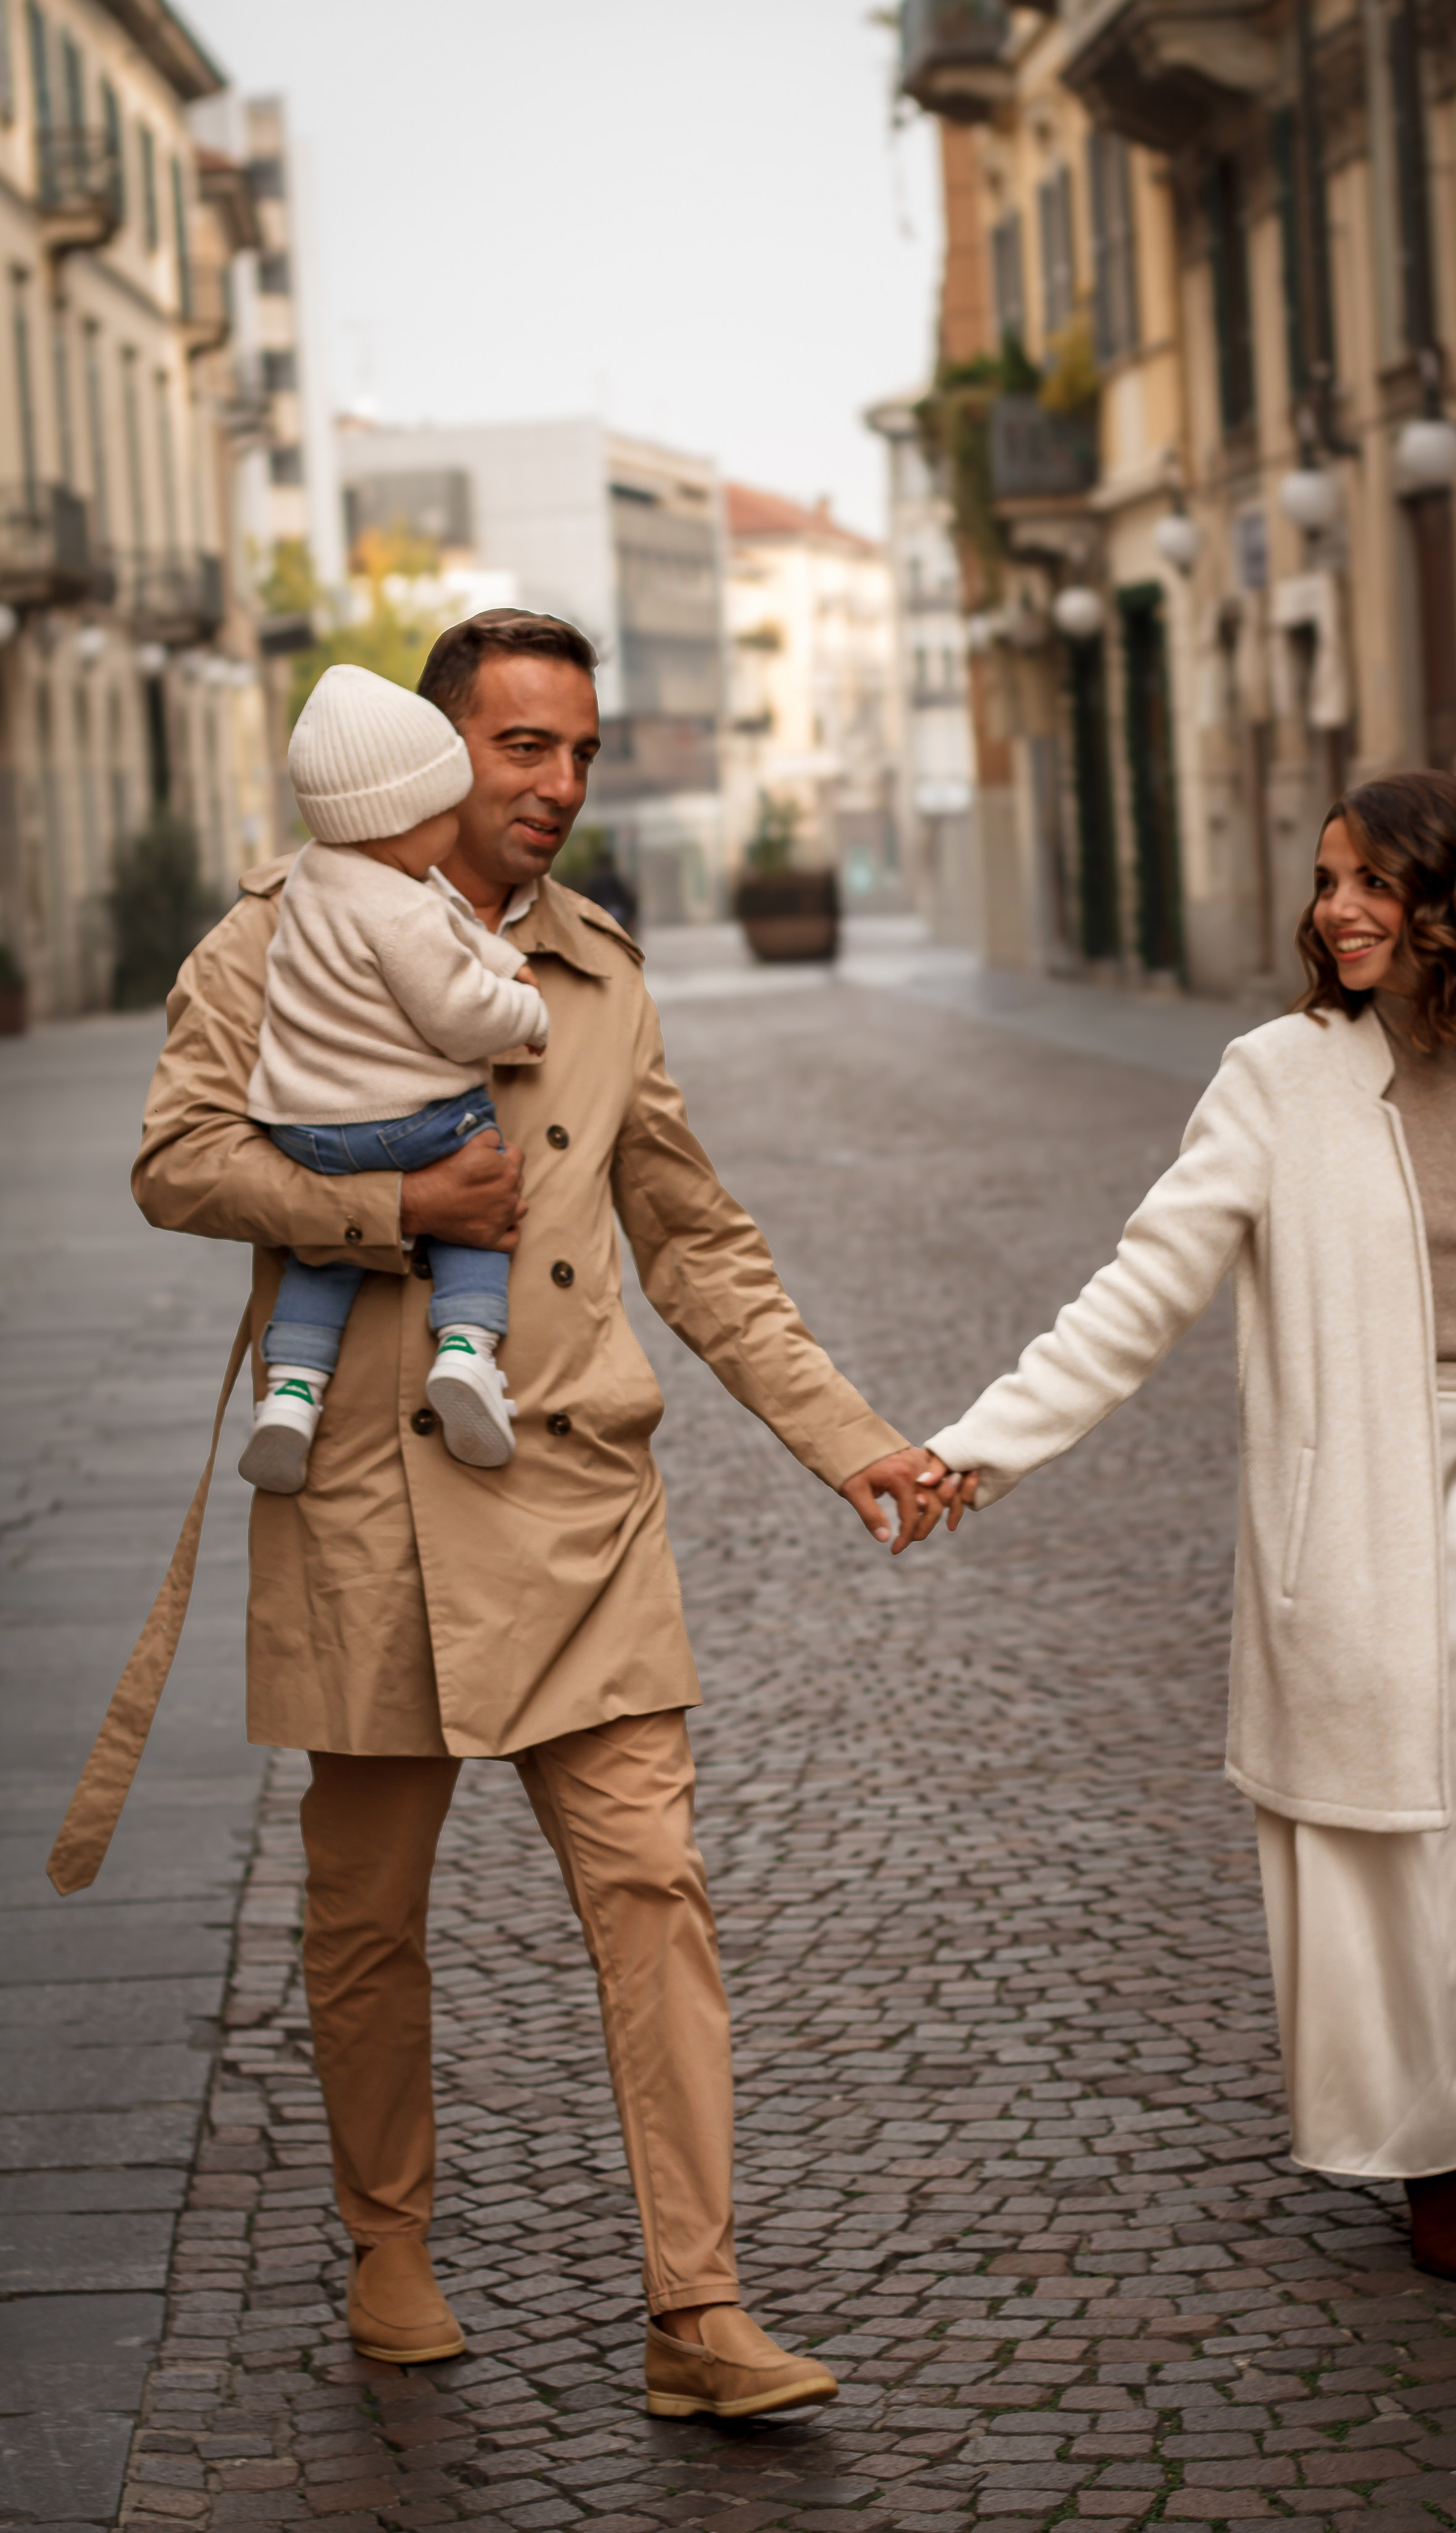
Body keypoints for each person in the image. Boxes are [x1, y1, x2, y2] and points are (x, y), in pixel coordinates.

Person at [67, 608, 935, 2414]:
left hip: (575, 1494)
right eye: (524, 747)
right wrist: (383, 1219)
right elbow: (174, 1159)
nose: (558, 784)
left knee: (654, 1884)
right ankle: (391, 2243)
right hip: (368, 1500)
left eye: (582, 752)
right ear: (437, 754)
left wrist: (851, 1437)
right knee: (366, 1908)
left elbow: (696, 1243)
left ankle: (699, 2311)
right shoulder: (271, 939)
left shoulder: (603, 978)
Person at [902, 770, 1456, 2289]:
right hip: (1355, 1519)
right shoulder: (1273, 1076)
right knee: (1403, 1836)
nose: (1334, 908)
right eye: (1324, 879)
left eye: (1369, 881)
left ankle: (1429, 2108)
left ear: (1448, 895)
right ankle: (1440, 2153)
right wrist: (969, 1451)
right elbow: (1136, 1293)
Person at [241, 664, 549, 1491]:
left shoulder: (312, 877)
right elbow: (456, 1009)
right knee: (480, 1191)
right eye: (442, 812)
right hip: (408, 1122)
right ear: (399, 819)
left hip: (306, 1130)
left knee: (322, 1260)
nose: (453, 828)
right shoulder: (404, 909)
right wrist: (527, 1013)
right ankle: (467, 1350)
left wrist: (501, 957)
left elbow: (451, 923)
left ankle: (292, 1396)